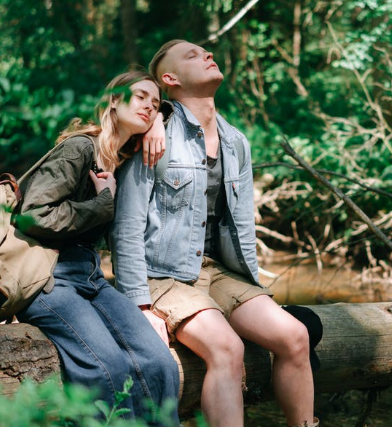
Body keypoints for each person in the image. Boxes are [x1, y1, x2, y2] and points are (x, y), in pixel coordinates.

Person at [110, 41, 318, 427]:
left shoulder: (236, 141)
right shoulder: (153, 132)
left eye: (206, 52)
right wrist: (139, 305)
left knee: (296, 336)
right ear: (170, 79)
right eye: (191, 55)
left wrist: (254, 289)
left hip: (218, 271)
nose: (207, 55)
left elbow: (242, 225)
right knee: (227, 348)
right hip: (163, 275)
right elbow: (126, 227)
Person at [14, 70, 180, 425]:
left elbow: (177, 115)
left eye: (155, 104)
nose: (149, 107)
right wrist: (103, 203)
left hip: (91, 277)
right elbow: (32, 216)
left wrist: (158, 121)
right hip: (47, 278)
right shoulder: (79, 148)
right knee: (110, 368)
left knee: (161, 363)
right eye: (140, 98)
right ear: (114, 100)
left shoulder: (122, 156)